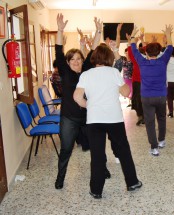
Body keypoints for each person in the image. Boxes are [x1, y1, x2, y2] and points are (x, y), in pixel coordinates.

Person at [73, 44, 142, 199]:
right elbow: (126, 92)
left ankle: (96, 190)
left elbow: (77, 97)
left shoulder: (86, 74)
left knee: (97, 155)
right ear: (109, 59)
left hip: (94, 119)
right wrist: (120, 81)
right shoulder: (113, 72)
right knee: (123, 151)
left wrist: (89, 105)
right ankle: (132, 183)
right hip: (114, 119)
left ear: (94, 58)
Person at [54, 14, 110, 190]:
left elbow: (93, 50)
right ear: (68, 62)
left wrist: (98, 31)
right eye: (73, 60)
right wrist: (60, 30)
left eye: (79, 59)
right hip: (69, 118)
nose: (77, 62)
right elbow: (58, 50)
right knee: (66, 149)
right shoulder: (65, 72)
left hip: (88, 116)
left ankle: (103, 169)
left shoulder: (86, 70)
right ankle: (60, 178)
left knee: (97, 146)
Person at [130, 25, 173, 156]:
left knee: (149, 122)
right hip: (161, 96)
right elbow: (170, 47)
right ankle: (161, 141)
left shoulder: (142, 62)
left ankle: (154, 148)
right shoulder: (163, 61)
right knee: (161, 118)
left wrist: (133, 36)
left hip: (147, 97)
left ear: (146, 53)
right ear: (159, 52)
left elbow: (133, 48)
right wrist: (168, 34)